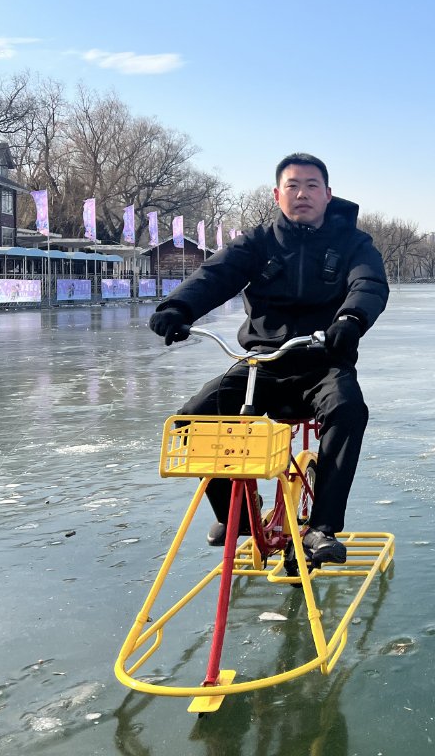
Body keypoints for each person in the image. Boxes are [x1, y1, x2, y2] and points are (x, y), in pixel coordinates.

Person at [149, 153, 389, 563]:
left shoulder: (353, 243)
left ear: (328, 195)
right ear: (277, 194)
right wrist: (178, 308)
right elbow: (215, 275)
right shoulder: (258, 243)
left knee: (348, 409)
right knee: (193, 420)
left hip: (324, 360)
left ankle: (322, 527)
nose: (302, 194)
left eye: (312, 186)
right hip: (264, 363)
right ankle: (237, 514)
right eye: (293, 186)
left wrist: (350, 319)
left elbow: (367, 282)